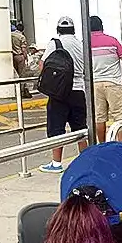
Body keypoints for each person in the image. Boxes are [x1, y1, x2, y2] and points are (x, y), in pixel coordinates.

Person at [38, 16, 88, 173]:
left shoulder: (55, 43)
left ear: (58, 30)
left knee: (56, 129)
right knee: (80, 128)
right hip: (78, 90)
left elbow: (43, 65)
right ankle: (85, 161)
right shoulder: (81, 45)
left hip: (59, 92)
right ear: (73, 30)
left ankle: (56, 163)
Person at [89, 16, 122, 143]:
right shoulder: (112, 41)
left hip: (95, 84)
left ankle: (102, 144)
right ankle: (120, 143)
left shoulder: (85, 43)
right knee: (120, 116)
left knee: (99, 117)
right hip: (113, 83)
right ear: (101, 26)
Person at [10, 22, 32, 98]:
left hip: (12, 56)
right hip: (20, 57)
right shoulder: (21, 37)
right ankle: (22, 92)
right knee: (22, 75)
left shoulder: (10, 35)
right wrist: (26, 57)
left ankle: (15, 91)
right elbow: (23, 48)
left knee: (15, 75)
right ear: (23, 30)